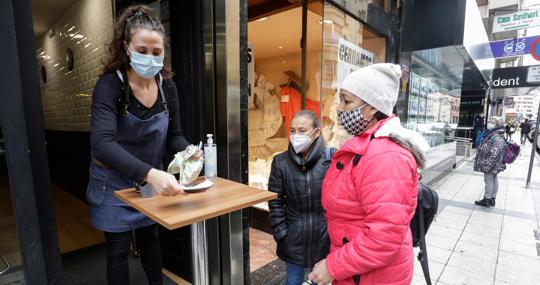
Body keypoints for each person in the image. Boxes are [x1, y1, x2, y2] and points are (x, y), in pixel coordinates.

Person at [87, 5, 201, 285]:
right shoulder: (110, 86)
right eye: (142, 50)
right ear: (126, 48)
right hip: (113, 182)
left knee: (151, 239)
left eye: (157, 52)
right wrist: (151, 174)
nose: (150, 58)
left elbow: (174, 134)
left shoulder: (167, 87)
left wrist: (188, 151)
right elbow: (102, 144)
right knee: (117, 250)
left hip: (150, 182)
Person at [308, 64, 429, 285]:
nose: (340, 108)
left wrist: (333, 266)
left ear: (371, 108)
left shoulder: (385, 156)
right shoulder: (368, 145)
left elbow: (384, 237)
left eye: (347, 101)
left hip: (371, 276)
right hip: (358, 270)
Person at [268, 110, 332, 285]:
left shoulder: (331, 159)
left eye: (302, 130)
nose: (296, 135)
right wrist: (282, 234)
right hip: (294, 240)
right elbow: (275, 201)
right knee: (293, 281)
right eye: (293, 130)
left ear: (316, 132)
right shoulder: (280, 162)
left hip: (325, 241)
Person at [473, 117, 506, 207]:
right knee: (493, 179)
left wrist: (488, 164)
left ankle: (487, 199)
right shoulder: (494, 133)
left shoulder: (497, 136)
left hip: (491, 163)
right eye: (489, 121)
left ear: (497, 125)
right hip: (494, 163)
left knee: (488, 180)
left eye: (492, 122)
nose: (489, 123)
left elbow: (495, 152)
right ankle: (492, 199)